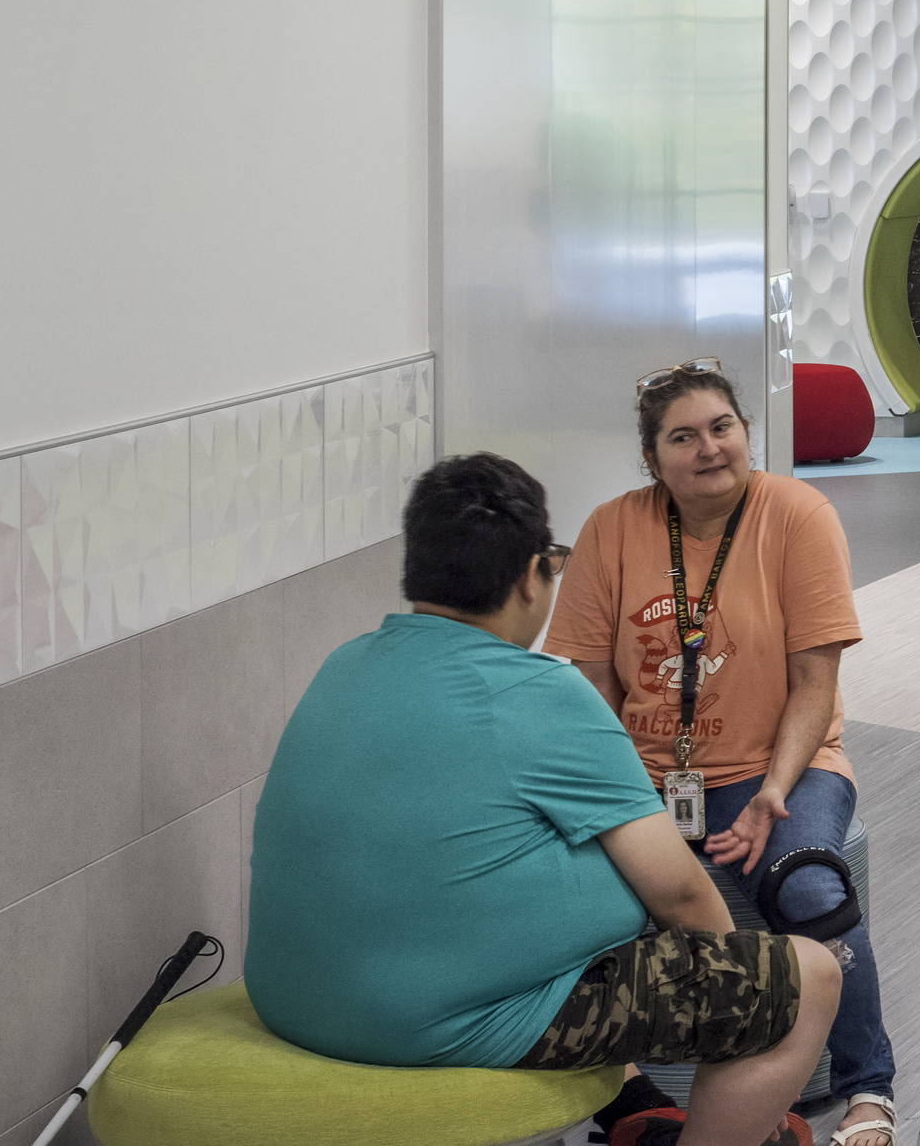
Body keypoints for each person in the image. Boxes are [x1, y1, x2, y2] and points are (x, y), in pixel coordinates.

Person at [248, 452, 841, 1146]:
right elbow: (681, 899)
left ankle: (634, 1112)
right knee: (809, 979)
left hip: (295, 998)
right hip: (444, 1022)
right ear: (535, 573)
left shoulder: (345, 661)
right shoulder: (541, 694)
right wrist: (742, 1022)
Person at [548, 367, 899, 1146]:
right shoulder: (611, 528)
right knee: (558, 888)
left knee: (809, 887)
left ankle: (868, 1088)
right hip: (644, 775)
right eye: (683, 437)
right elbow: (592, 691)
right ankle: (623, 1089)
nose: (709, 449)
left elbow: (816, 681)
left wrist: (775, 790)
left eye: (721, 427)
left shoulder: (797, 514)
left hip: (785, 764)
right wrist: (609, 799)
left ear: (745, 431)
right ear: (652, 458)